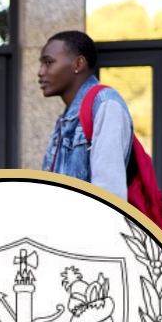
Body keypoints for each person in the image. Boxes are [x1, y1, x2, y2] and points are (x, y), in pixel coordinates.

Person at [39, 30, 132, 200]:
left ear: (78, 64)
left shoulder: (106, 105)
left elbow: (109, 195)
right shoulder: (66, 118)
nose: (40, 72)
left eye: (49, 62)